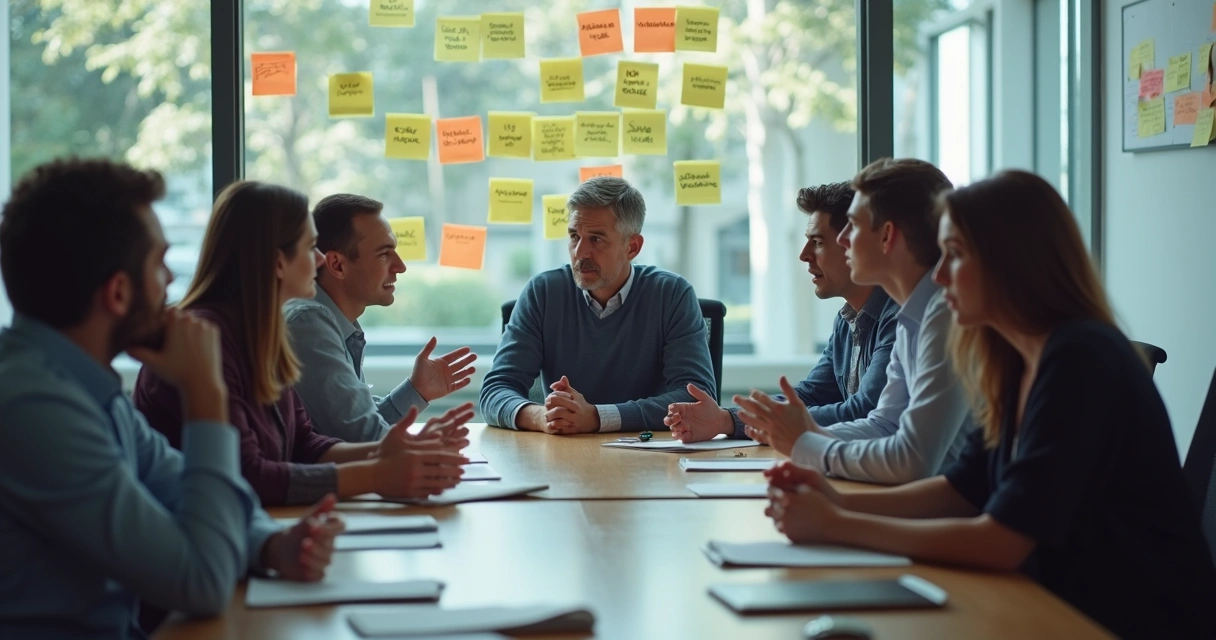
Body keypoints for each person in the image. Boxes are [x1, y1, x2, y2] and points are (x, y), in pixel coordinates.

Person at [764, 170, 1216, 638]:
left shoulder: (1080, 357)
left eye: (954, 255)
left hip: (1126, 619)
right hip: (1058, 600)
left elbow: (1002, 541)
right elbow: (960, 492)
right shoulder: (1014, 359)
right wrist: (835, 499)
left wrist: (838, 524)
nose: (938, 275)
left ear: (1010, 263)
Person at [0, 159, 342, 637]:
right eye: (159, 263)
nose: (172, 283)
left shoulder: (86, 390)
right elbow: (201, 580)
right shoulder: (34, 411)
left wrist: (271, 545)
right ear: (118, 293)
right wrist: (205, 396)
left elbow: (180, 487)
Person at [134, 180, 470, 507]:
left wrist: (397, 451)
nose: (321, 260)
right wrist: (378, 474)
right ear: (279, 262)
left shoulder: (258, 332)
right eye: (311, 248)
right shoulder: (207, 338)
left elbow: (306, 443)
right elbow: (248, 475)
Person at [737, 159, 972, 484]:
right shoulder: (913, 315)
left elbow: (913, 460)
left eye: (854, 225)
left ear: (887, 236)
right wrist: (803, 435)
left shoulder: (944, 314)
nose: (844, 238)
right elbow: (883, 425)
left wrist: (805, 443)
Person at [479, 176, 716, 434]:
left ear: (632, 247)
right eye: (574, 236)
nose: (580, 252)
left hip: (649, 459)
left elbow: (697, 399)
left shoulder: (671, 295)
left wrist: (597, 417)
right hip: (561, 458)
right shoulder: (543, 293)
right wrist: (542, 417)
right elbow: (495, 391)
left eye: (597, 239)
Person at [665, 182, 898, 442]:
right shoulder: (846, 321)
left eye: (818, 242)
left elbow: (864, 412)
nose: (804, 255)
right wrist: (726, 419)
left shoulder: (897, 318)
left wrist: (738, 422)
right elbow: (809, 395)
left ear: (854, 244)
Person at [285, 194, 476, 442]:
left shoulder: (334, 323)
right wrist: (426, 443)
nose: (400, 266)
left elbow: (363, 428)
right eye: (385, 254)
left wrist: (417, 390)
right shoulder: (309, 323)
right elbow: (363, 439)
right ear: (337, 265)